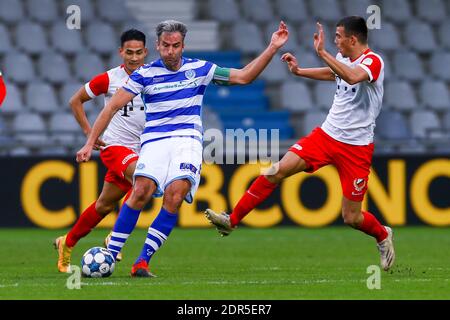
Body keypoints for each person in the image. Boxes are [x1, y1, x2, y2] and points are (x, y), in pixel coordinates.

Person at [76, 20, 289, 277]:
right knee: (141, 189)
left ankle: (142, 262)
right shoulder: (145, 74)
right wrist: (90, 142)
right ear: (157, 45)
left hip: (187, 141)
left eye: (175, 45)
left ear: (182, 46)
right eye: (165, 45)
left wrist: (272, 47)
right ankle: (111, 253)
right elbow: (110, 107)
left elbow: (244, 76)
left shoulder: (200, 69)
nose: (170, 51)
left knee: (175, 195)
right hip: (154, 140)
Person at [205, 16, 395, 272]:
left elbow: (351, 77)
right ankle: (232, 219)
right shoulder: (342, 59)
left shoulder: (373, 61)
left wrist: (322, 52)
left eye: (338, 36)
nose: (335, 40)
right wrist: (299, 71)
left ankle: (382, 235)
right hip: (326, 136)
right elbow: (334, 74)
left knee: (352, 217)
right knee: (276, 170)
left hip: (357, 147)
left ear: (352, 39)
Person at [54, 29, 148, 273]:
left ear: (145, 52)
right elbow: (75, 100)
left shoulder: (153, 77)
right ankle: (116, 236)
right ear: (121, 52)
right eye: (129, 52)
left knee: (104, 206)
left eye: (139, 52)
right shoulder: (109, 79)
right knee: (143, 179)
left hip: (143, 150)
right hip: (115, 146)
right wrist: (89, 135)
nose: (134, 57)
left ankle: (67, 242)